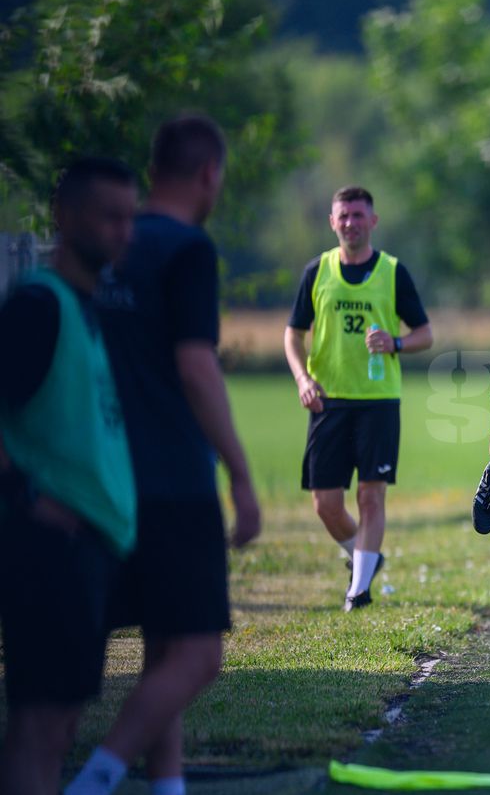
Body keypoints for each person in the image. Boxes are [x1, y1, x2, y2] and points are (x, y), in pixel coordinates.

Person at [67, 115, 261, 795]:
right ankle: (97, 777)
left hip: (101, 472)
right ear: (209, 173)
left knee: (160, 645)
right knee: (199, 653)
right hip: (173, 477)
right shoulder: (187, 249)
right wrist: (239, 473)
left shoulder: (110, 247)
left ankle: (168, 784)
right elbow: (196, 366)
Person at [0, 158, 138, 795]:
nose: (120, 232)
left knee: (60, 727)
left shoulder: (88, 306)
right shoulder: (38, 305)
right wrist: (30, 498)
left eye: (127, 219)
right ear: (64, 215)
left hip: (90, 547)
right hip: (47, 545)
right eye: (106, 217)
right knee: (38, 724)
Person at [284, 186, 432, 611]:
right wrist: (302, 379)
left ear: (373, 221)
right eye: (343, 216)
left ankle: (359, 589)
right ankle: (367, 557)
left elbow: (426, 334)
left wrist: (396, 343)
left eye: (358, 215)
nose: (350, 223)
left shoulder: (392, 271)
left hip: (378, 401)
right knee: (326, 504)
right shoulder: (317, 271)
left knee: (371, 495)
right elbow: (292, 336)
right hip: (326, 401)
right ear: (332, 222)